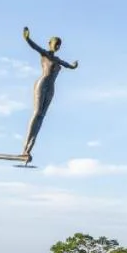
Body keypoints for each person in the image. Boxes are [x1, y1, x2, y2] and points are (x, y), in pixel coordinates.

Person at [21, 26, 78, 159]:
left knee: (42, 116)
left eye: (59, 44)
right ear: (50, 43)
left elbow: (69, 66)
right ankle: (24, 146)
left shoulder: (58, 61)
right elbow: (34, 47)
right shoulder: (45, 54)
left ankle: (29, 149)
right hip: (42, 84)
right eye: (55, 43)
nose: (57, 46)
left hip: (51, 87)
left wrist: (74, 66)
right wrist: (27, 38)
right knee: (36, 113)